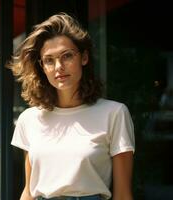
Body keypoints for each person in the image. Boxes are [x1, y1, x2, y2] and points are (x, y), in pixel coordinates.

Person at [9, 13, 135, 200]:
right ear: (43, 67)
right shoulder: (29, 119)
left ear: (84, 58)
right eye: (49, 60)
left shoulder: (114, 113)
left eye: (67, 56)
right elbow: (29, 190)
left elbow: (123, 194)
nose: (59, 66)